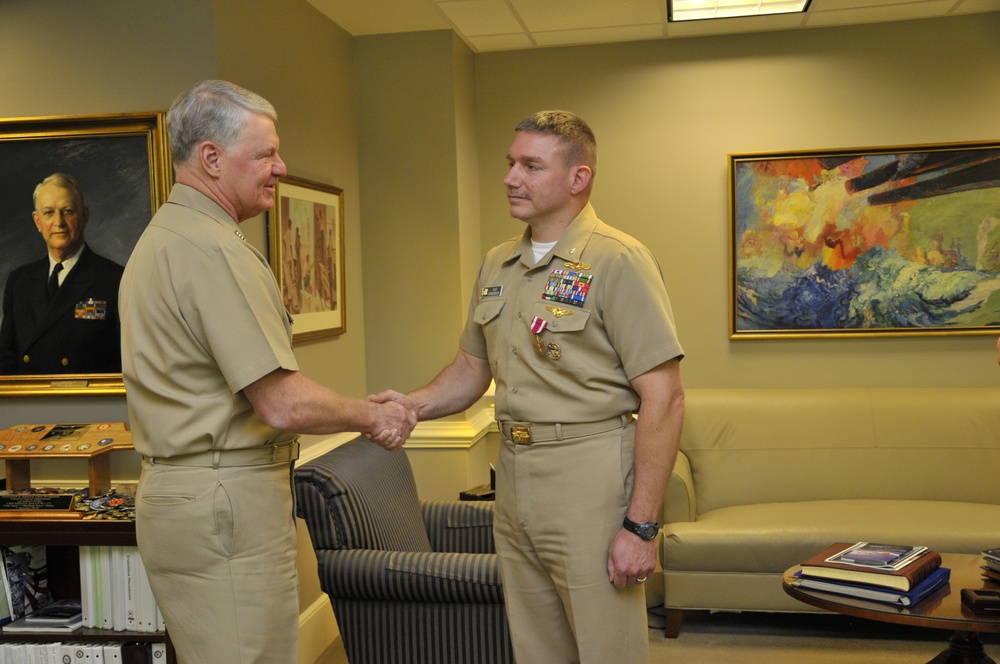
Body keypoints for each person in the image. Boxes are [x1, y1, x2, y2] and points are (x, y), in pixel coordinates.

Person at [118, 80, 416, 664]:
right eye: (266, 154)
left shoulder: (163, 239)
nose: (281, 167)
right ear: (210, 157)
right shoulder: (213, 250)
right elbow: (280, 402)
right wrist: (372, 415)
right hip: (224, 500)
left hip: (186, 497)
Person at [371, 110, 685, 663]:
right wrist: (411, 405)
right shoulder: (499, 263)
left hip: (590, 473)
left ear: (577, 179)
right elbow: (471, 368)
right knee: (536, 646)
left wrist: (641, 526)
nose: (511, 177)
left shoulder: (619, 259)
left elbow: (665, 396)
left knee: (606, 645)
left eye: (531, 166)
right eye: (511, 163)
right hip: (513, 474)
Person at [0, 173, 123, 374]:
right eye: (49, 213)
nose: (59, 222)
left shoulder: (114, 279)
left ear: (84, 216)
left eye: (67, 211)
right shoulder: (19, 282)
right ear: (37, 222)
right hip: (29, 401)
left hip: (88, 401)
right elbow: (5, 361)